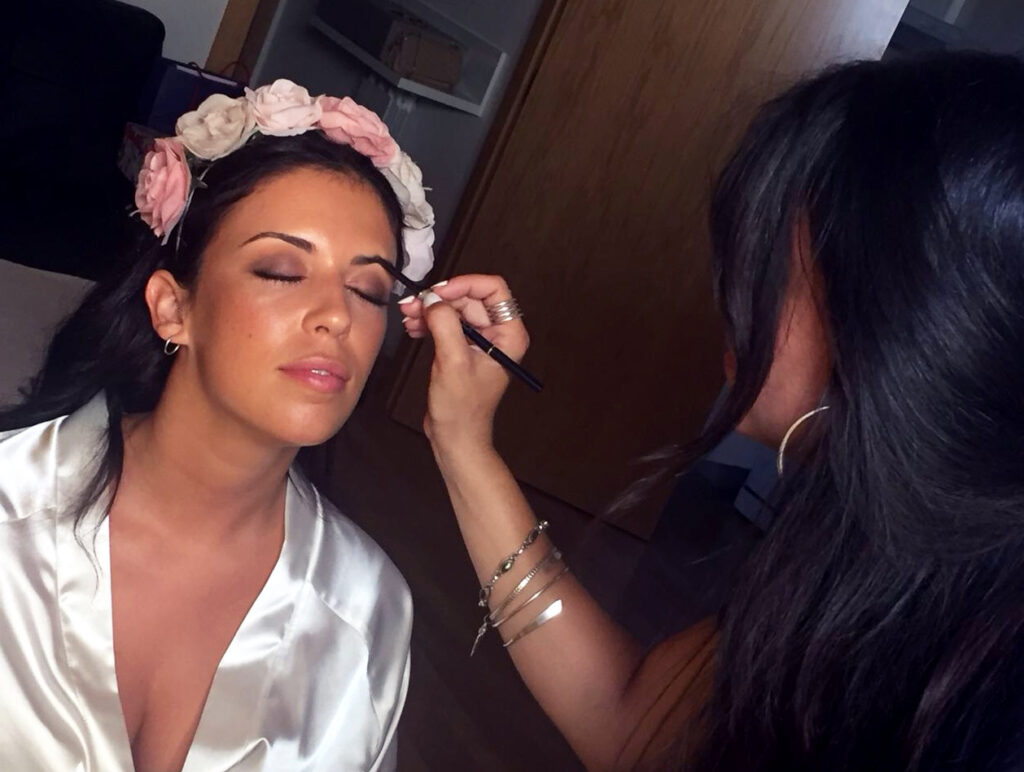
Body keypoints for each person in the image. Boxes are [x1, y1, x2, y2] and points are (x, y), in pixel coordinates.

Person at [398, 51, 1024, 770]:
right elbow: (627, 721)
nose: (731, 291)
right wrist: (462, 438)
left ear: (912, 320)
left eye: (771, 264)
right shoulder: (860, 544)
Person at [0, 81, 435, 771]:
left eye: (368, 289)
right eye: (282, 271)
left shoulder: (367, 610)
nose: (337, 316)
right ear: (173, 309)